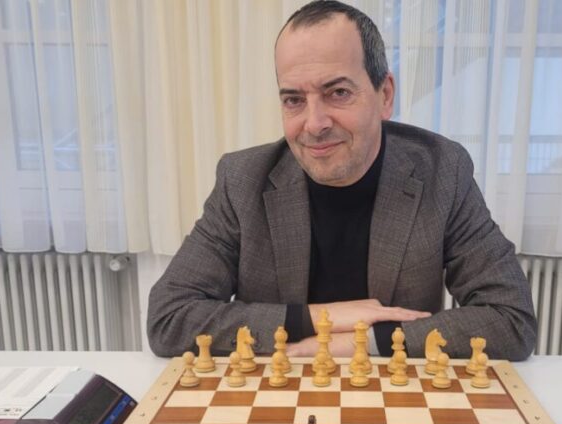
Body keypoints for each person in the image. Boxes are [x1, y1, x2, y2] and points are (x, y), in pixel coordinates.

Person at [147, 0, 536, 360]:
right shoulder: (242, 180)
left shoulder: (442, 171)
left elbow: (511, 319)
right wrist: (322, 318)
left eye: (338, 92)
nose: (314, 124)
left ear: (385, 95)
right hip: (278, 395)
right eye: (294, 100)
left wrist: (361, 341)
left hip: (395, 394)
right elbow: (169, 317)